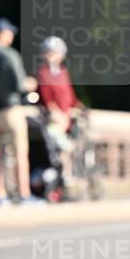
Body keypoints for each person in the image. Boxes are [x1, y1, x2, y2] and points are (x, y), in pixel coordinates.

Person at [0, 17, 35, 204]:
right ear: (2, 34)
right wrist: (31, 84)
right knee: (20, 152)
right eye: (9, 33)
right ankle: (24, 194)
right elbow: (20, 85)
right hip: (10, 111)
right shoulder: (10, 55)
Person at [36, 36, 83, 179]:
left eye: (54, 52)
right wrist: (58, 115)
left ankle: (69, 173)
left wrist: (77, 108)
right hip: (54, 118)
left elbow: (70, 96)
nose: (51, 56)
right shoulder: (42, 73)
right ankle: (64, 175)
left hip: (67, 116)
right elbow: (46, 98)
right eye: (49, 52)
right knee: (60, 142)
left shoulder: (63, 73)